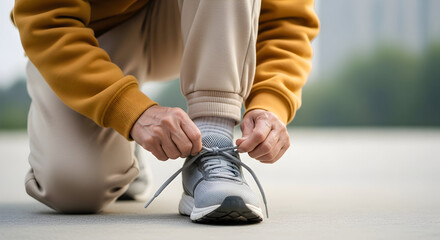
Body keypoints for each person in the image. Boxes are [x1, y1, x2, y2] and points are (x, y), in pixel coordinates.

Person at [12, 0, 319, 223]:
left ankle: (213, 144)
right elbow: (45, 19)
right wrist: (130, 112)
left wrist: (270, 100)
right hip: (90, 35)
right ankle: (123, 150)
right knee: (74, 189)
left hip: (193, 21)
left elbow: (286, 20)